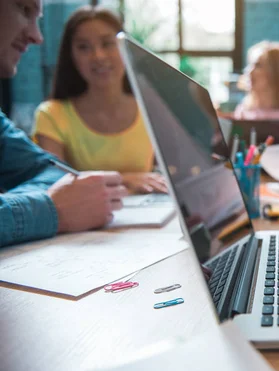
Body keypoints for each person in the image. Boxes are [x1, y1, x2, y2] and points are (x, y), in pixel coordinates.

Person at [0, 0, 127, 248]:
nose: (37, 37)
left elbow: (55, 174)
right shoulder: (52, 113)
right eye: (24, 9)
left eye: (107, 44)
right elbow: (63, 193)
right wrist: (50, 208)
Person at [32, 6, 166, 194]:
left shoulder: (151, 108)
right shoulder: (51, 114)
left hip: (151, 217)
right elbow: (53, 184)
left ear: (124, 48)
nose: (98, 56)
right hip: (86, 221)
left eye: (107, 43)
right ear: (71, 56)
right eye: (83, 47)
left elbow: (170, 175)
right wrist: (125, 179)